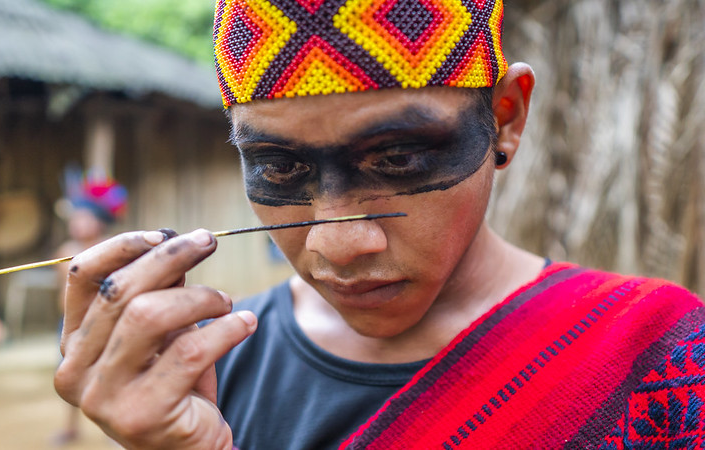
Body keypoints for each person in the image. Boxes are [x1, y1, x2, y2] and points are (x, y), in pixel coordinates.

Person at [54, 1, 705, 448]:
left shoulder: (658, 358)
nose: (337, 244)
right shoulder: (209, 373)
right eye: (278, 168)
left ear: (505, 117)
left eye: (398, 158)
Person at [52, 168, 127, 445]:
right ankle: (70, 427)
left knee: (109, 373)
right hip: (70, 322)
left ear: (100, 223)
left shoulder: (110, 250)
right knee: (68, 375)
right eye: (75, 218)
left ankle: (113, 431)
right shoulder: (63, 253)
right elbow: (63, 294)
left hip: (104, 319)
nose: (77, 223)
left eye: (84, 218)